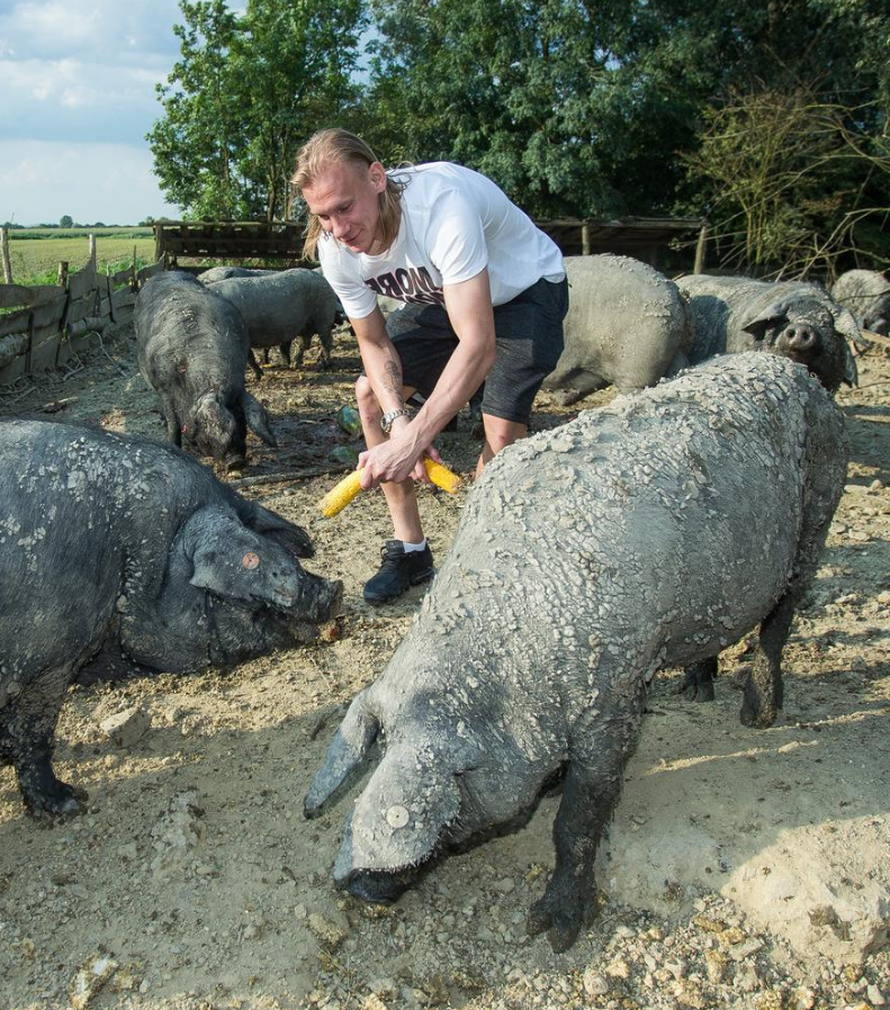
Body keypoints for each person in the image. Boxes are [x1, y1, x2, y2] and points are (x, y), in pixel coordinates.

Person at [293, 128, 568, 605]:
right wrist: (401, 425)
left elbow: (478, 344)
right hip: (447, 295)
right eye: (322, 216)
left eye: (345, 207)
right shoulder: (334, 247)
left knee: (500, 433)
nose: (337, 228)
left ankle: (484, 557)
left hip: (525, 290)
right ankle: (412, 550)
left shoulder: (441, 206)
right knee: (370, 398)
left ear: (377, 178)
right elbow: (373, 341)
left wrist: (419, 437)